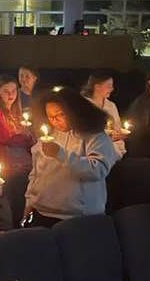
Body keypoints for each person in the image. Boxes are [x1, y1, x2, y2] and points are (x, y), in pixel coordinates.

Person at [23, 88, 120, 227]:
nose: (54, 121)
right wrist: (29, 201)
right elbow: (37, 172)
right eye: (50, 116)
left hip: (77, 217)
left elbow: (97, 170)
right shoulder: (50, 135)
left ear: (74, 111)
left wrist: (60, 155)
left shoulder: (95, 136)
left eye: (59, 115)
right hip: (43, 213)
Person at [0, 75, 35, 223]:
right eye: (6, 91)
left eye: (13, 90)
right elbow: (2, 139)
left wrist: (29, 137)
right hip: (9, 165)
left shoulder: (16, 111)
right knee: (14, 201)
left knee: (23, 200)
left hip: (23, 165)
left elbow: (26, 136)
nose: (11, 94)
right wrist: (22, 135)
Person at [83, 71, 128, 157]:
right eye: (109, 86)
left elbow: (117, 128)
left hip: (113, 149)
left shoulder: (111, 106)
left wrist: (119, 134)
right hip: (91, 149)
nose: (112, 89)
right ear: (97, 87)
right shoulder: (84, 105)